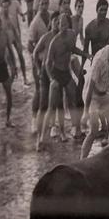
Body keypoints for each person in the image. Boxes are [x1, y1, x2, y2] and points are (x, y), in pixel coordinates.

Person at [37, 12, 87, 148]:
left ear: (68, 24)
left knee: (73, 100)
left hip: (66, 73)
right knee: (52, 106)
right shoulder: (54, 42)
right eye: (61, 24)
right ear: (58, 25)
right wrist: (52, 79)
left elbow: (73, 49)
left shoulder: (72, 34)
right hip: (56, 74)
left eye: (65, 23)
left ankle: (77, 129)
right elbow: (47, 63)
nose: (63, 26)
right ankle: (41, 139)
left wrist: (86, 54)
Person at [80, 27, 109, 159]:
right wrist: (85, 112)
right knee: (94, 131)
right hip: (92, 96)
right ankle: (82, 161)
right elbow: (90, 87)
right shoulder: (100, 58)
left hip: (104, 94)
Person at [0, 0, 29, 85]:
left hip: (16, 34)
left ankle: (25, 77)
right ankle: (13, 71)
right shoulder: (2, 5)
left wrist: (23, 16)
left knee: (20, 55)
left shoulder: (16, 3)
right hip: (7, 36)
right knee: (9, 58)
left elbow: (20, 12)